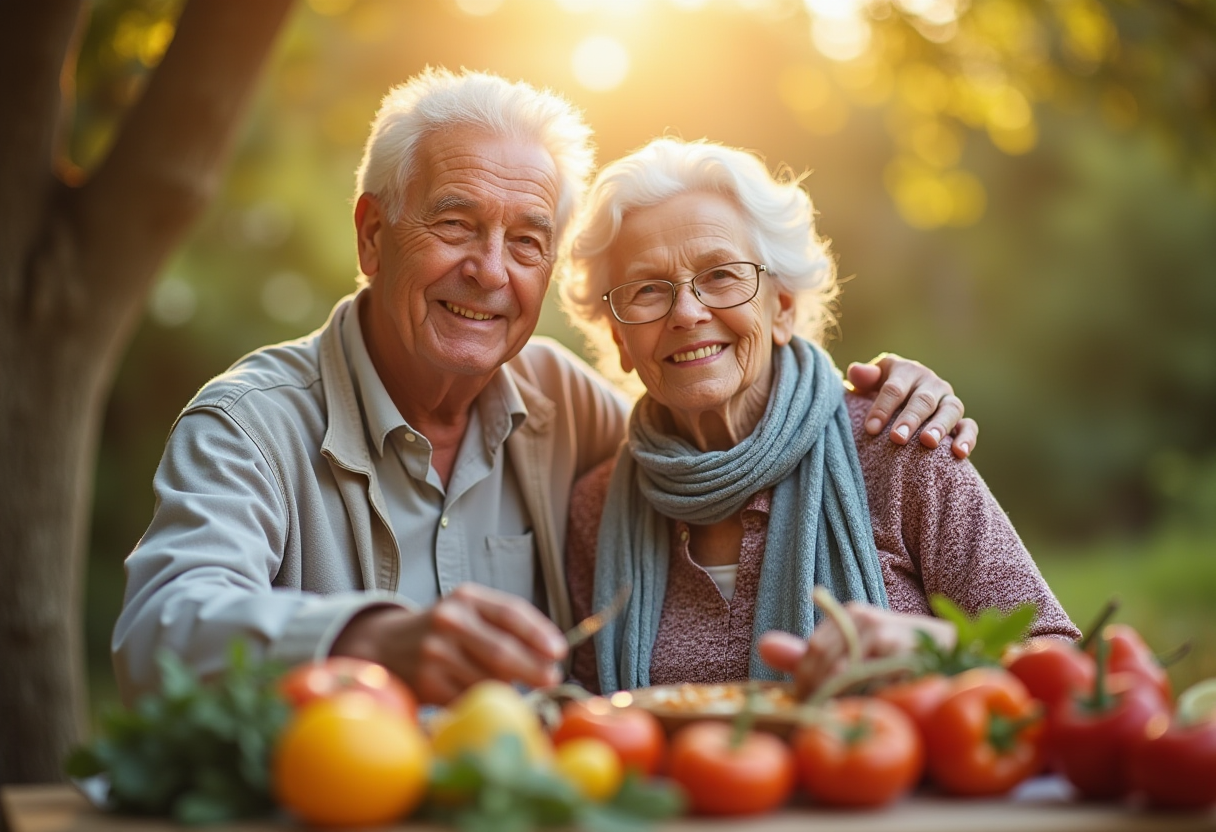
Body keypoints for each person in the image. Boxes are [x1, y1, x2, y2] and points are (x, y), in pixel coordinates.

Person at [112, 68, 980, 707]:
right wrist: (374, 640)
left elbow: (723, 401)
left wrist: (881, 390)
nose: (490, 271)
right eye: (455, 223)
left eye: (528, 240)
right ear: (374, 237)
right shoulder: (250, 424)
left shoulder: (565, 402)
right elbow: (158, 634)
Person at [560, 137, 1080, 697]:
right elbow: (590, 717)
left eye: (720, 276)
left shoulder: (896, 442)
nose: (687, 312)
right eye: (646, 289)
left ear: (781, 308)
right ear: (619, 338)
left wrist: (939, 651)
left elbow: (1064, 667)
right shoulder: (598, 510)